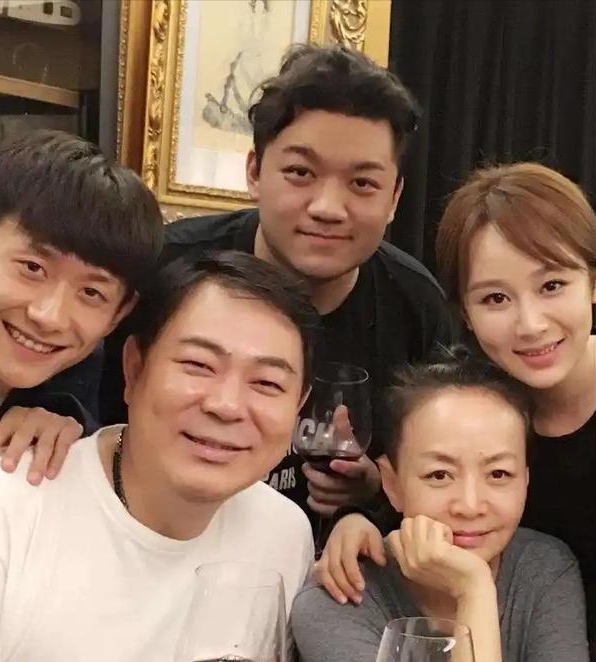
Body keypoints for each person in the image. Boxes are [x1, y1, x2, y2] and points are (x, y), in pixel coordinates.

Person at [100, 44, 453, 529]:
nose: (328, 207)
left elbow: (438, 467)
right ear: (254, 173)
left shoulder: (416, 306)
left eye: (362, 184)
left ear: (394, 198)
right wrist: (48, 408)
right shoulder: (164, 269)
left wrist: (376, 489)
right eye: (300, 173)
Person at [0, 250, 317, 662]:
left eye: (267, 383)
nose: (227, 405)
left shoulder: (282, 533)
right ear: (133, 369)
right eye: (198, 365)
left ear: (299, 404)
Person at [316, 162, 596, 654]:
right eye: (495, 298)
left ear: (592, 282)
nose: (530, 324)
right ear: (464, 312)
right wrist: (367, 516)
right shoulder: (474, 401)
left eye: (552, 285)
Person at [292, 349, 589, 662]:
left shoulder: (543, 569)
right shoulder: (338, 599)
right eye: (439, 475)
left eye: (498, 474)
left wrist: (473, 589)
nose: (470, 506)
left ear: (526, 480)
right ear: (391, 484)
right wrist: (473, 588)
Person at [0, 129, 164, 483]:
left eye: (91, 293)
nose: (49, 317)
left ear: (118, 315)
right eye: (32, 268)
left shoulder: (68, 404)